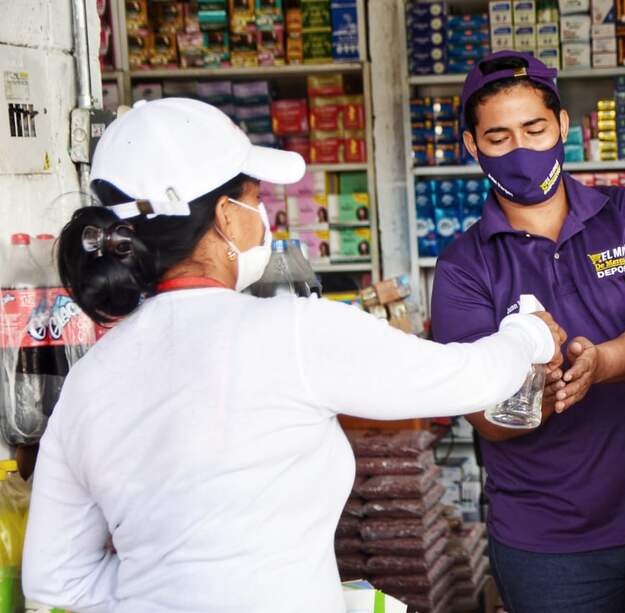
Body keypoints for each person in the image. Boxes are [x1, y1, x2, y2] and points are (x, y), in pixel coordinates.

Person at [22, 98, 569, 613]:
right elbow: (464, 377)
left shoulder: (90, 376)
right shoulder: (293, 333)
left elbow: (54, 580)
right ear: (225, 216)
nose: (265, 216)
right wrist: (529, 335)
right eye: (256, 199)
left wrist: (167, 587)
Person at [430, 51, 625, 613]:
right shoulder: (461, 267)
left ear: (564, 127)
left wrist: (598, 364)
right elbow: (485, 417)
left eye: (535, 128)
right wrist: (547, 395)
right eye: (498, 137)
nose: (521, 149)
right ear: (472, 148)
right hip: (546, 545)